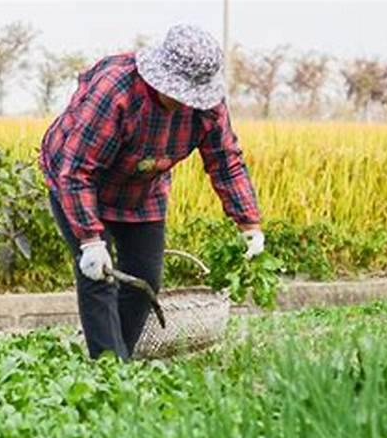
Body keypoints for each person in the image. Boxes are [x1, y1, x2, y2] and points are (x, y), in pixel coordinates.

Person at [39, 24, 264, 361]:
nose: (185, 100)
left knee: (145, 279)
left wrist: (250, 224)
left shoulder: (207, 108)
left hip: (142, 191)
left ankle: (120, 359)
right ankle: (109, 370)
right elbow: (76, 170)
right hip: (78, 181)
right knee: (99, 277)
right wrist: (90, 240)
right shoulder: (116, 92)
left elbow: (225, 161)